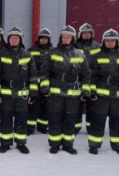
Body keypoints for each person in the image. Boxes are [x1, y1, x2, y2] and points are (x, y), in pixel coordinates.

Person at [40, 25, 91, 154]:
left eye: (68, 37)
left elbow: (86, 75)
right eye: (64, 37)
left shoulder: (80, 54)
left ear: (72, 38)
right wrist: (45, 88)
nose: (66, 39)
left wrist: (85, 91)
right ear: (61, 38)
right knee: (55, 119)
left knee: (70, 120)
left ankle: (68, 145)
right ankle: (54, 144)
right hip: (55, 93)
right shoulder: (52, 52)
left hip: (73, 95)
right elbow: (45, 72)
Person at [88, 29, 119, 157]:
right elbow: (91, 76)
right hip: (101, 97)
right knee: (98, 121)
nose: (110, 43)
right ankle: (94, 145)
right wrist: (92, 92)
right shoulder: (97, 56)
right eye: (107, 40)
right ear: (104, 42)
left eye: (112, 40)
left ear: (117, 42)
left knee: (118, 122)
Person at [0, 27, 37, 154]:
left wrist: (33, 93)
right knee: (5, 119)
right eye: (11, 38)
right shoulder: (1, 55)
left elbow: (33, 77)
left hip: (22, 96)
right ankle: (5, 143)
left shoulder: (28, 56)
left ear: (20, 40)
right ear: (8, 40)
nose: (14, 40)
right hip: (6, 95)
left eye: (16, 38)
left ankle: (21, 143)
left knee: (21, 120)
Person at [74, 23, 101, 134]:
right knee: (77, 105)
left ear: (92, 34)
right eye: (84, 33)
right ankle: (75, 127)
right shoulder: (75, 45)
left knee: (93, 106)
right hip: (78, 79)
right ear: (80, 34)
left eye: (88, 33)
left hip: (94, 80)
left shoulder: (98, 46)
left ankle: (91, 127)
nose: (86, 35)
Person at [27, 28, 53, 134]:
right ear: (38, 39)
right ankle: (30, 127)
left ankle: (42, 126)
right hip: (33, 82)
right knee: (32, 105)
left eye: (45, 38)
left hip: (47, 83)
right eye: (41, 38)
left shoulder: (53, 51)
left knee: (45, 106)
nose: (43, 40)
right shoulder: (31, 50)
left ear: (49, 40)